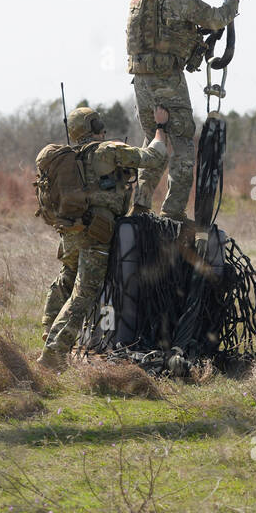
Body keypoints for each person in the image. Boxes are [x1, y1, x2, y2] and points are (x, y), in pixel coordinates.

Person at [36, 103, 170, 370]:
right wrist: (160, 129)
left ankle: (49, 328)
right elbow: (153, 158)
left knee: (66, 279)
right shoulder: (108, 151)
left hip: (71, 231)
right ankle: (53, 353)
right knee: (84, 293)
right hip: (97, 232)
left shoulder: (71, 159)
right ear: (94, 127)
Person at [126, 0, 243, 221]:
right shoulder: (181, 2)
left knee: (154, 142)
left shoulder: (137, 4)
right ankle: (173, 212)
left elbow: (164, 33)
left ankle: (141, 206)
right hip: (169, 82)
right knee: (182, 147)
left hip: (141, 86)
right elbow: (217, 18)